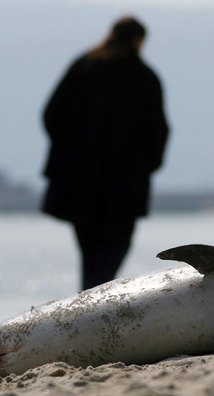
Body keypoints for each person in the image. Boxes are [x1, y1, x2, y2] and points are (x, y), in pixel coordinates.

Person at [41, 16, 169, 290]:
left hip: (79, 184)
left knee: (89, 252)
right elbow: (158, 131)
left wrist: (68, 155)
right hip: (123, 186)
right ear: (138, 40)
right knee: (113, 249)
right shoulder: (144, 77)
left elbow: (52, 115)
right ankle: (94, 305)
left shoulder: (84, 67)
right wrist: (144, 166)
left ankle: (87, 302)